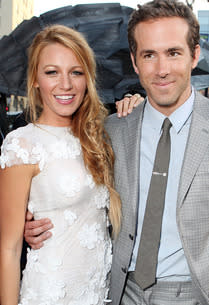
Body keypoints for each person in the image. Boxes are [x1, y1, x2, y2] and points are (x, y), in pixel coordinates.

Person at [25, 1, 209, 304]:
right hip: (120, 290)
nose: (162, 70)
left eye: (173, 53)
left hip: (195, 291)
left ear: (194, 56)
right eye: (149, 55)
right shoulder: (112, 131)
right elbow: (79, 193)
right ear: (135, 63)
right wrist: (33, 221)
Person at [0, 24, 124, 305]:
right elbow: (8, 248)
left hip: (98, 293)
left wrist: (134, 102)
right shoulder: (22, 145)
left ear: (87, 78)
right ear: (35, 79)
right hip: (50, 294)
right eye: (52, 72)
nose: (65, 84)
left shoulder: (97, 136)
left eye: (76, 72)